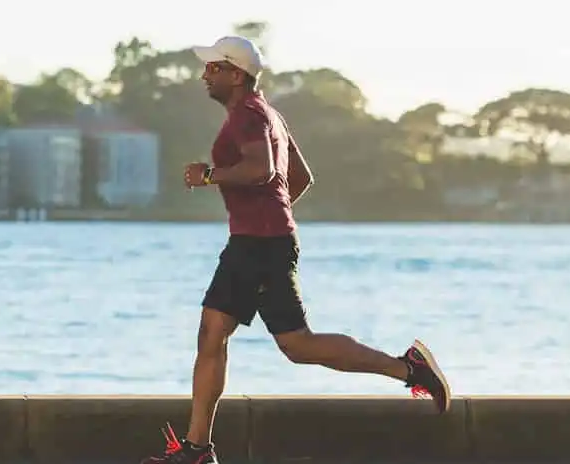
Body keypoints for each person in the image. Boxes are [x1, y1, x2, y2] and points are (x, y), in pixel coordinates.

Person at [140, 36, 451, 464]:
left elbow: (262, 170)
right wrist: (270, 213)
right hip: (259, 241)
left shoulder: (248, 115)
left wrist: (210, 175)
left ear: (236, 75)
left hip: (259, 246)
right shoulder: (268, 113)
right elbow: (299, 177)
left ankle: (408, 368)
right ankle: (198, 449)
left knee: (292, 344)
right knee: (222, 333)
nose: (204, 75)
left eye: (213, 68)